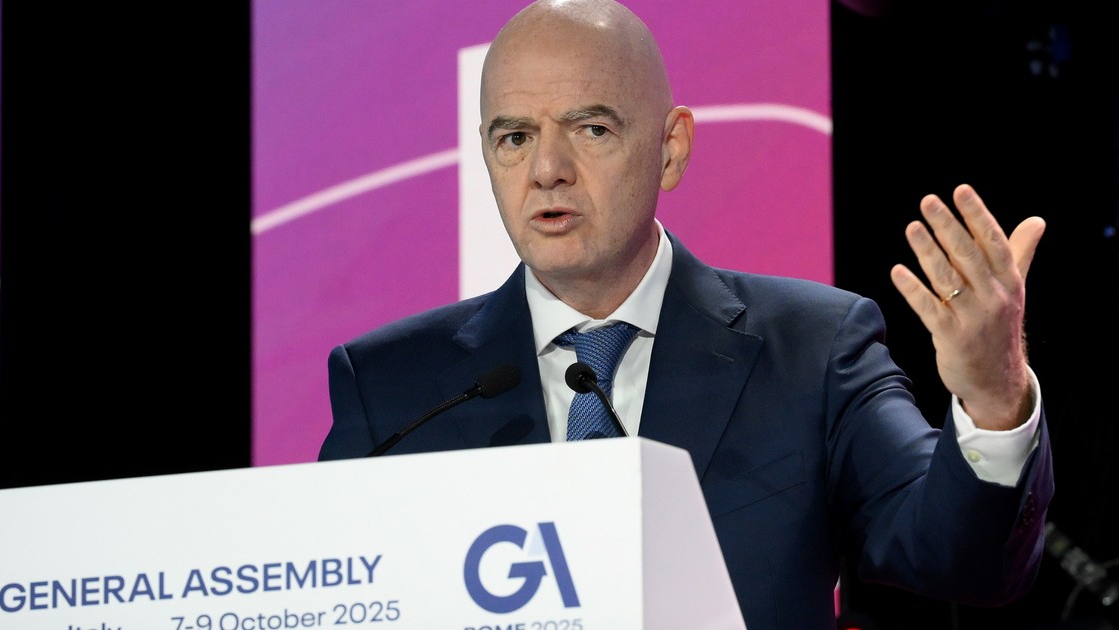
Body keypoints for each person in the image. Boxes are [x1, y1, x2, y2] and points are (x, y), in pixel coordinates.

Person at [318, 1, 1054, 628]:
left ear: (670, 150)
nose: (547, 170)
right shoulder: (391, 387)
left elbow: (962, 561)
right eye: (514, 138)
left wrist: (994, 401)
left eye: (591, 128)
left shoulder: (813, 348)